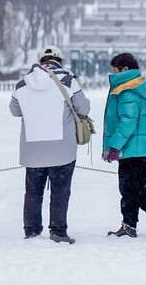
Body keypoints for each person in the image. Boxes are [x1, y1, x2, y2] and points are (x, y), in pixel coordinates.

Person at [9, 46, 91, 243]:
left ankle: (31, 230)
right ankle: (58, 231)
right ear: (60, 61)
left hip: (32, 149)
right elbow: (84, 108)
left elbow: (14, 110)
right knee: (60, 192)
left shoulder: (22, 84)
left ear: (41, 61)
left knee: (33, 192)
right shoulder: (69, 81)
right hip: (62, 149)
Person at [103, 53, 146, 238]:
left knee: (131, 188)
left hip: (132, 148)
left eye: (115, 70)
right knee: (134, 187)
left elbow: (127, 122)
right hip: (145, 147)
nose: (112, 73)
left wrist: (114, 147)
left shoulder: (127, 91)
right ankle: (129, 225)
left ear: (125, 70)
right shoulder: (141, 87)